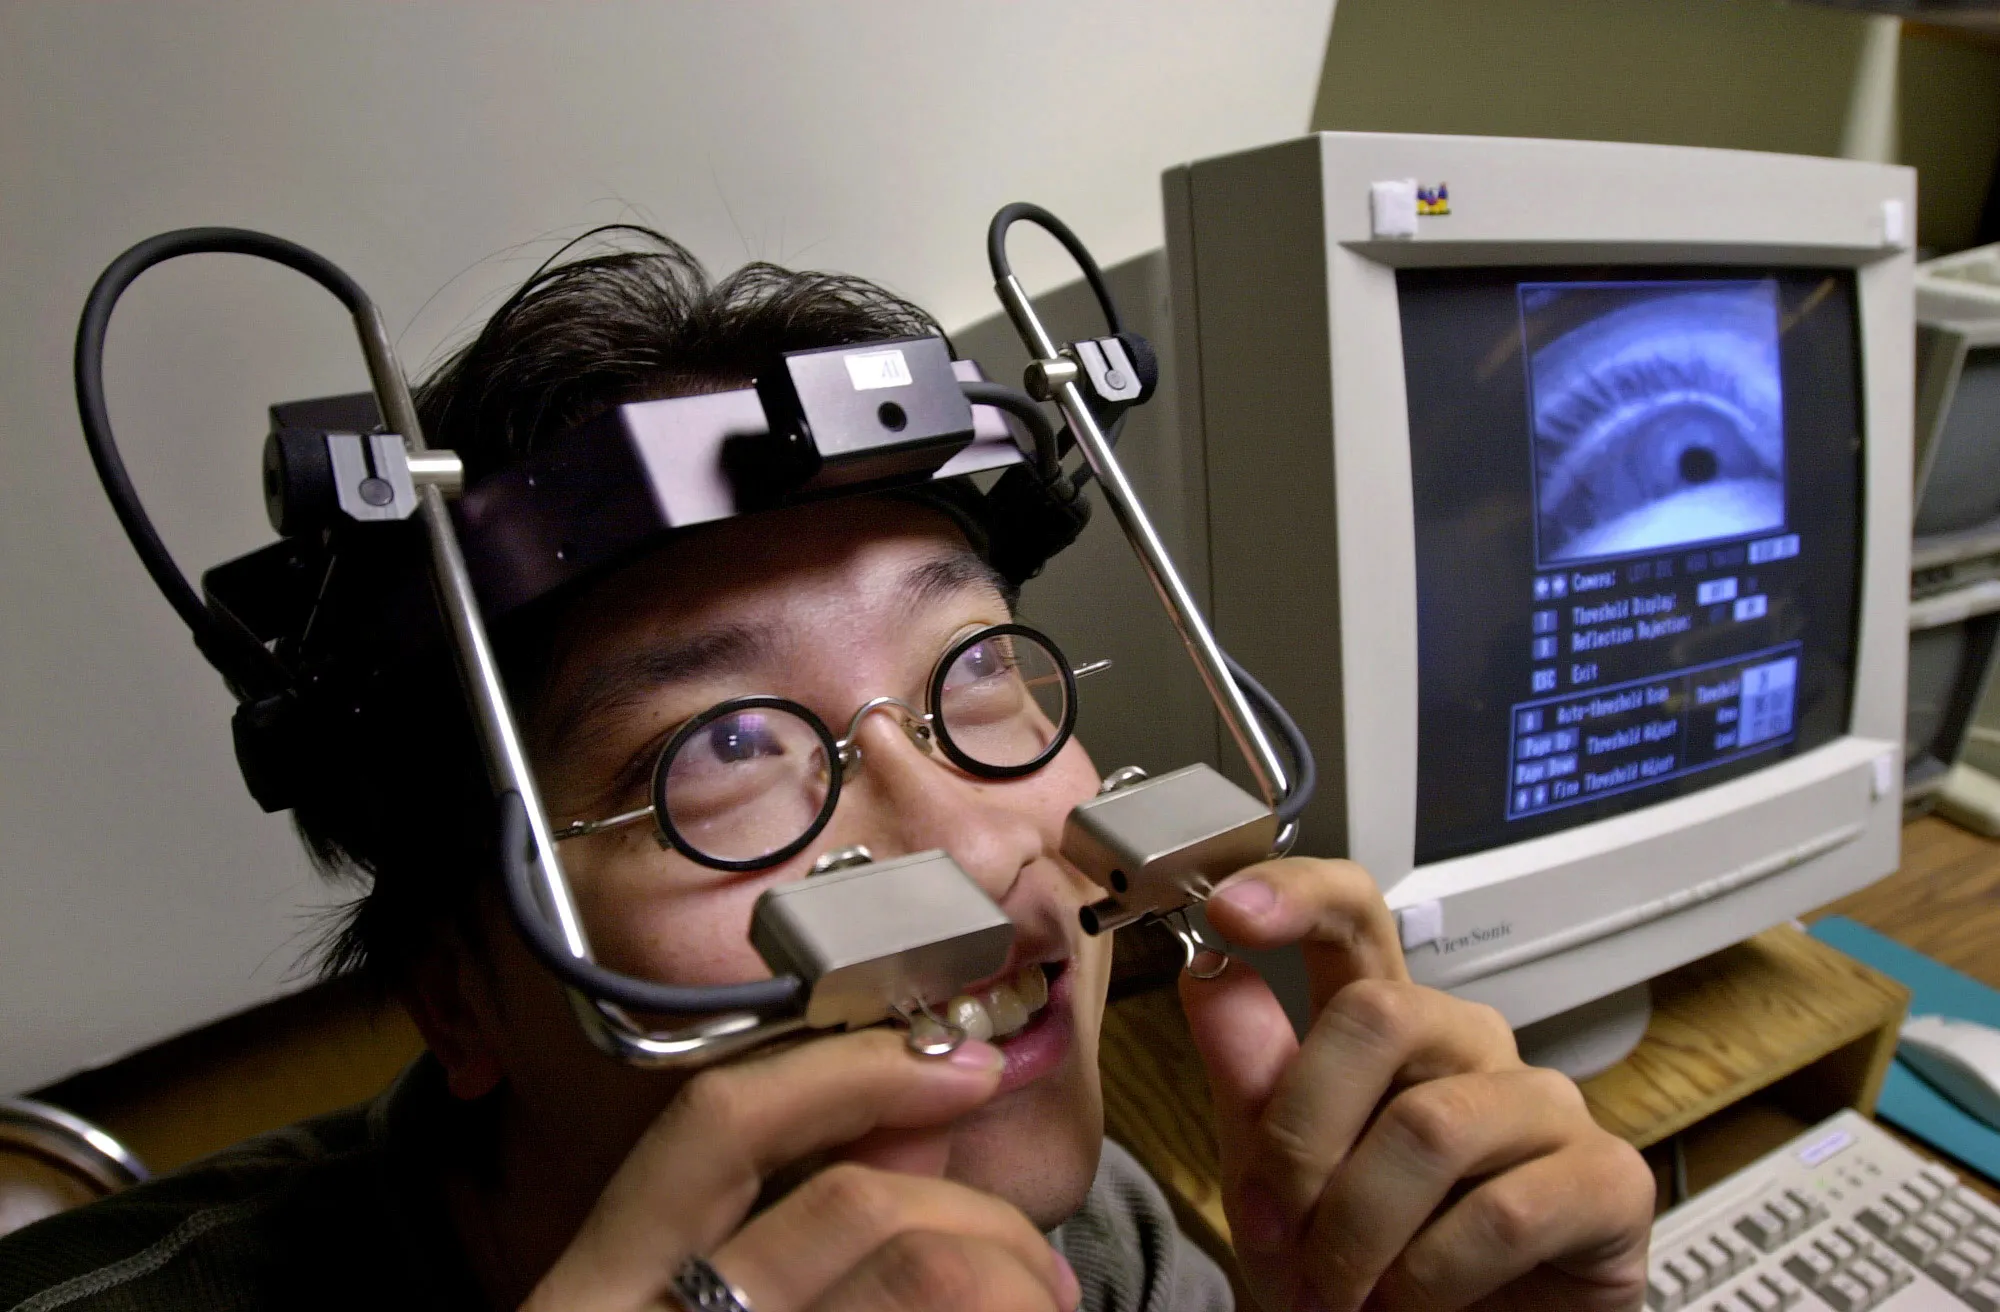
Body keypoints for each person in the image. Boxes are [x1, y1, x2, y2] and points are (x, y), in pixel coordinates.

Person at [0, 230, 1654, 1312]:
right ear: (460, 996)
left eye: (981, 674)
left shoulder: (1089, 1235)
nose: (987, 867)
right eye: (721, 750)